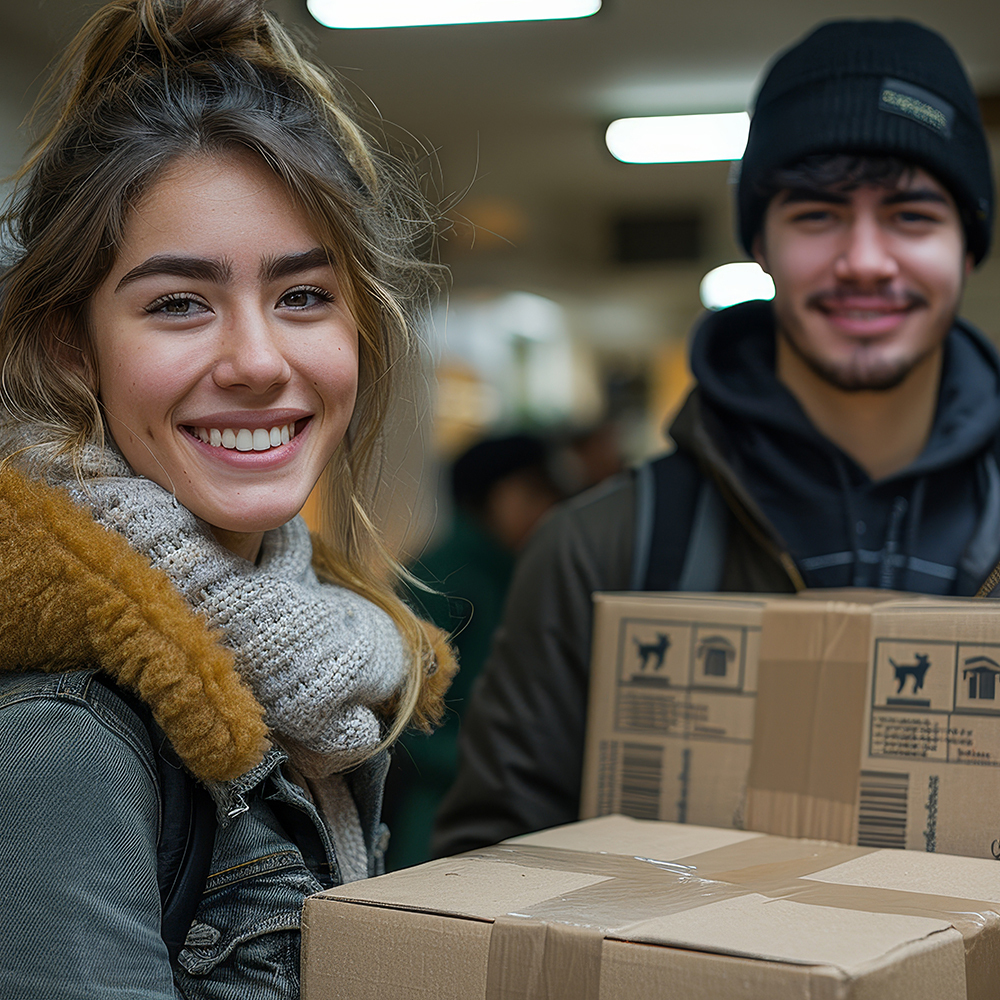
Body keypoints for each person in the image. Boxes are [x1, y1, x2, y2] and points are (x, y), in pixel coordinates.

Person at [433, 18, 998, 856]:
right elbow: (486, 875)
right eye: (818, 215)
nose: (866, 260)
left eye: (913, 215)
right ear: (760, 242)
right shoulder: (605, 550)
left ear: (968, 243)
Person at [0, 1, 455, 997]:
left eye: (302, 295)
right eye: (178, 303)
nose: (257, 360)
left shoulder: (313, 664)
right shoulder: (61, 732)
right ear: (71, 347)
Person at [383, 433, 563, 869]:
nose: (545, 508)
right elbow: (398, 718)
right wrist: (494, 762)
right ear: (492, 495)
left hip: (494, 795)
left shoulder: (512, 566)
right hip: (438, 809)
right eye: (531, 492)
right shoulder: (442, 575)